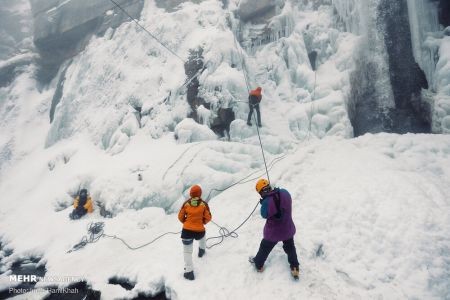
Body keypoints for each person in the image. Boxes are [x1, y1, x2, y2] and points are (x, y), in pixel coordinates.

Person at [249, 179, 300, 279]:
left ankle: (258, 264)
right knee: (290, 246)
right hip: (288, 228)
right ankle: (295, 267)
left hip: (273, 233)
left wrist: (265, 201)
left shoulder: (266, 203)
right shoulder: (285, 192)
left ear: (260, 192)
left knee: (264, 247)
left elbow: (264, 214)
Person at [178, 184, 212, 280]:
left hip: (186, 232)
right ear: (200, 194)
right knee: (203, 236)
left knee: (187, 251)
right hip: (199, 231)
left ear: (191, 194)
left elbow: (180, 217)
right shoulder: (204, 204)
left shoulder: (186, 204)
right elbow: (208, 218)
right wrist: (202, 222)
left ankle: (189, 272)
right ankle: (201, 250)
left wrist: (185, 222)